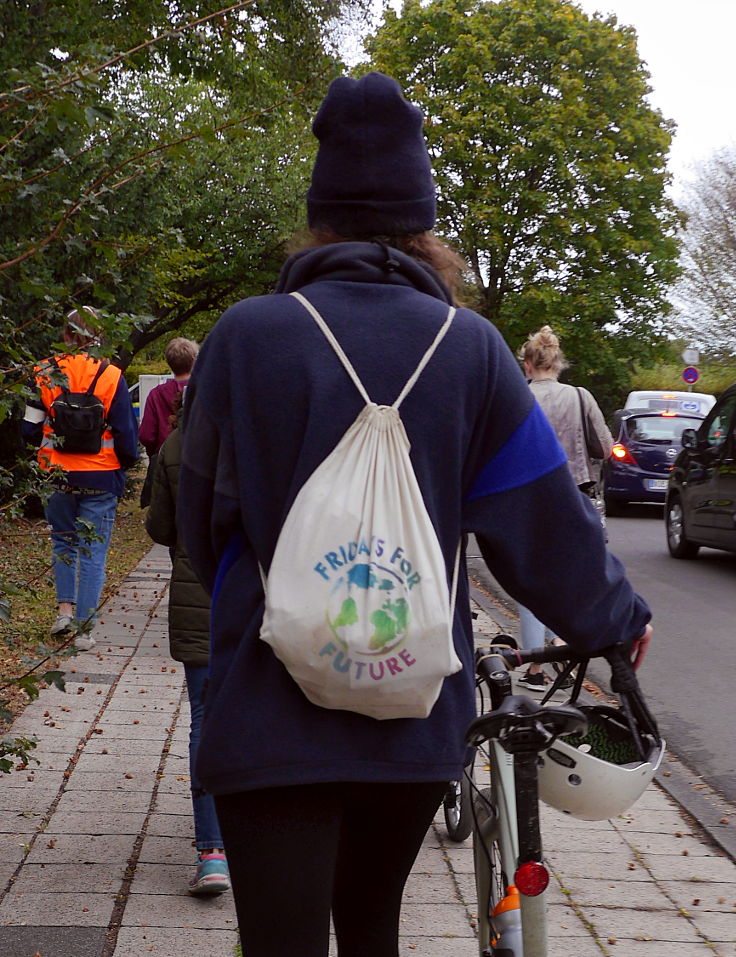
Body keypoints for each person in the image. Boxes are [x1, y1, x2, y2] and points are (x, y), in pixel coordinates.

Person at [178, 72, 651, 957]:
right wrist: (617, 621)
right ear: (423, 219)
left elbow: (195, 517)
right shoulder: (471, 349)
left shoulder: (247, 336)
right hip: (410, 710)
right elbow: (542, 526)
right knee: (371, 929)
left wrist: (274, 596)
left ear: (318, 214)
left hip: (267, 709)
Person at [144, 393, 231, 897]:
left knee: (203, 716)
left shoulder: (175, 446)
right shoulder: (254, 442)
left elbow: (160, 527)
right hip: (258, 601)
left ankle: (212, 852)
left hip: (196, 595)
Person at [22, 307, 139, 649]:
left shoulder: (43, 372)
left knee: (63, 543)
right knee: (93, 552)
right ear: (98, 336)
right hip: (100, 476)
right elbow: (125, 435)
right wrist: (122, 466)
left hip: (56, 474)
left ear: (65, 334)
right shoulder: (110, 375)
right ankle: (85, 629)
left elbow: (28, 430)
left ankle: (63, 611)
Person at [515, 325, 615, 691]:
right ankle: (561, 647)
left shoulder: (517, 397)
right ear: (558, 363)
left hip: (528, 499)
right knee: (567, 578)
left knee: (530, 583)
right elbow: (604, 448)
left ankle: (533, 669)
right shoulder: (580, 396)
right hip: (574, 497)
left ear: (528, 363)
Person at [138, 337, 199, 508]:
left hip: (164, 463)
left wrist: (154, 453)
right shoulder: (203, 390)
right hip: (198, 460)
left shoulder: (157, 394)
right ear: (194, 359)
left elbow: (146, 434)